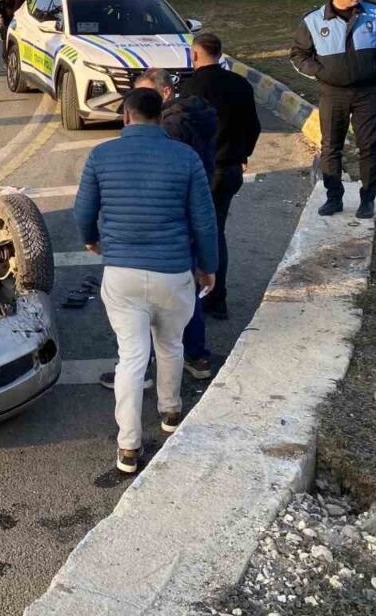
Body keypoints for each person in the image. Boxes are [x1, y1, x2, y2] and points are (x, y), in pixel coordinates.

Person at [74, 87, 218, 475]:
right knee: (170, 345)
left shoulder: (101, 155)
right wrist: (208, 265)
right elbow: (204, 220)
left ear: (125, 116)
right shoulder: (185, 158)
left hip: (122, 275)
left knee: (132, 358)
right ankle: (171, 413)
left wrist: (90, 238)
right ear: (160, 116)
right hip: (173, 272)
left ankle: (128, 447)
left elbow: (83, 210)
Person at [291, 0, 376, 219]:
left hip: (368, 92)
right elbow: (298, 54)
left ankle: (367, 200)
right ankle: (333, 198)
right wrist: (320, 72)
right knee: (330, 147)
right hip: (333, 94)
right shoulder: (314, 21)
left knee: (368, 146)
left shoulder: (375, 13)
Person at [180, 32, 261, 321]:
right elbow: (254, 126)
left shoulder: (191, 88)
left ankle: (203, 298)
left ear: (196, 55)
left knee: (199, 234)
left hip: (202, 171)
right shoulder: (240, 84)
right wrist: (242, 154)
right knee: (217, 231)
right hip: (230, 170)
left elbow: (184, 130)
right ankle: (216, 297)